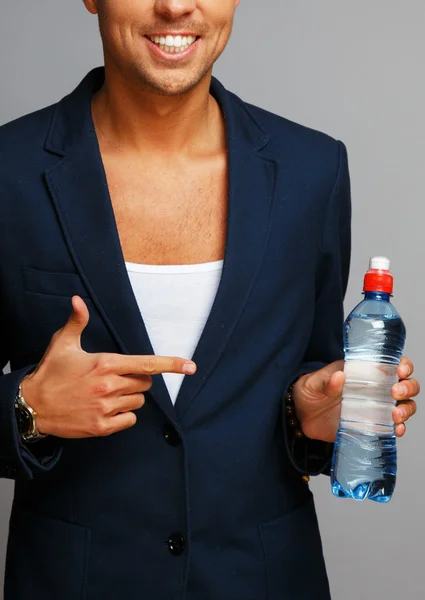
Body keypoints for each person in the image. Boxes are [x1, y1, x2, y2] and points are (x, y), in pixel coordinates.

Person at [0, 1, 419, 599]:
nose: (175, 5)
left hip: (267, 581)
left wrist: (313, 413)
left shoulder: (313, 169)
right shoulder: (7, 169)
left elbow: (311, 370)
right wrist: (27, 408)